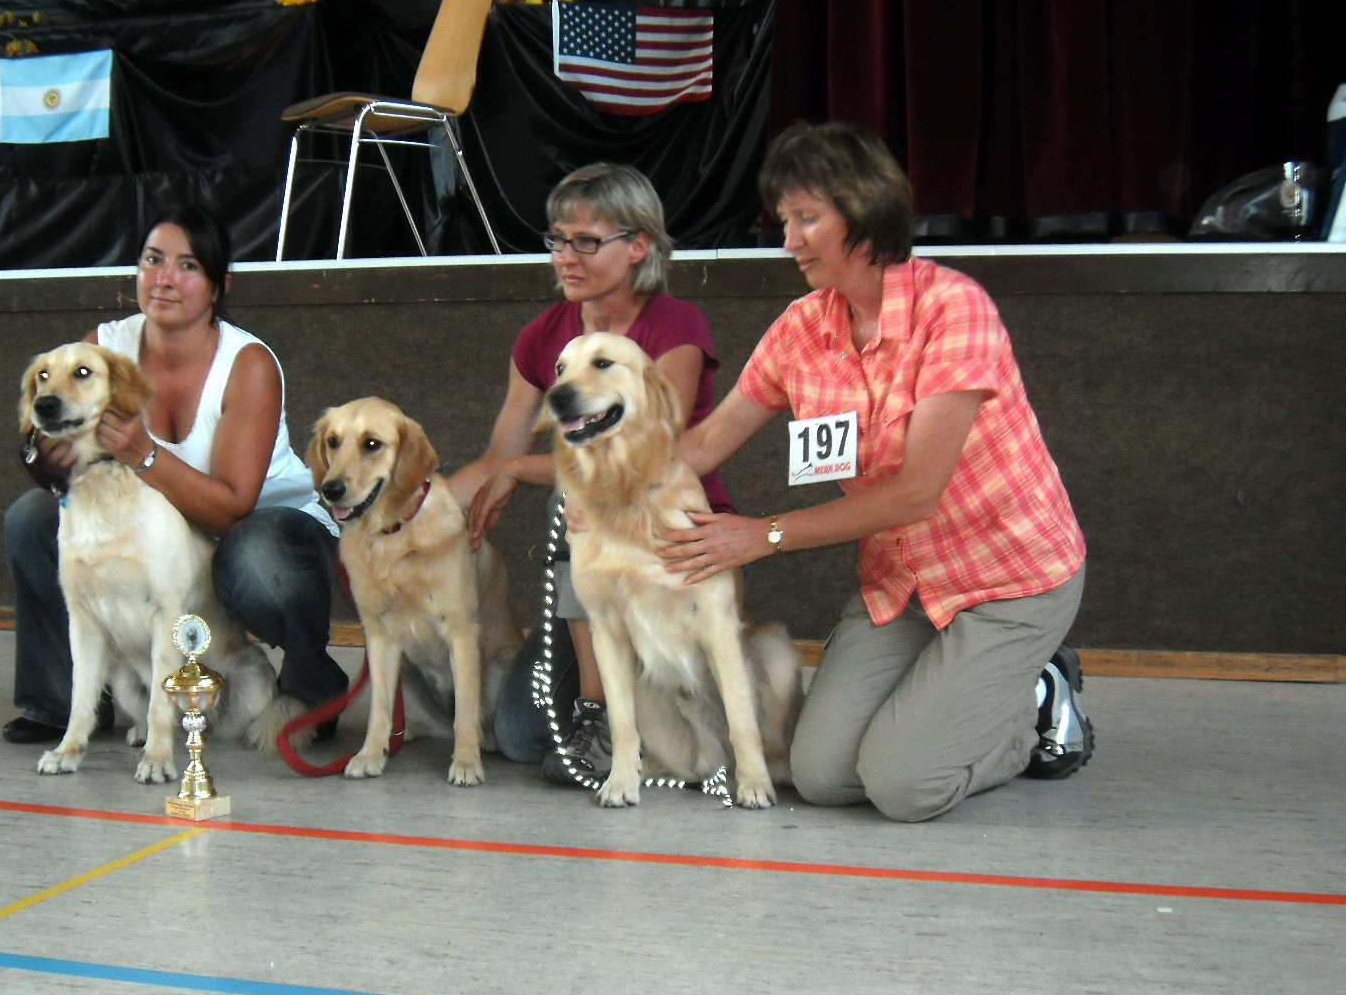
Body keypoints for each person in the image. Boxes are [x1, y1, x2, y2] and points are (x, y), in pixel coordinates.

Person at [658, 122, 1091, 822]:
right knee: (821, 776)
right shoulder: (802, 326)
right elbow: (707, 441)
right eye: (785, 221)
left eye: (806, 219)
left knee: (903, 787)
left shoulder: (954, 308)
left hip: (1011, 577)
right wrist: (607, 491)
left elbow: (918, 490)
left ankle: (1033, 707)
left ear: (862, 210)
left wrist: (762, 535)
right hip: (904, 583)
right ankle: (951, 703)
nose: (788, 240)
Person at [1, 204, 347, 744]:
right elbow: (44, 452)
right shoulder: (103, 346)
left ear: (217, 286)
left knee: (253, 554)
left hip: (262, 529)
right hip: (160, 526)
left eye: (187, 266)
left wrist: (141, 453)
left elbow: (231, 508)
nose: (164, 279)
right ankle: (65, 699)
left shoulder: (248, 363)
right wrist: (44, 456)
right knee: (32, 518)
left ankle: (312, 685)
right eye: (152, 260)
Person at [447, 162, 734, 785]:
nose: (565, 257)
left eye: (586, 241)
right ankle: (602, 704)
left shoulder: (676, 326)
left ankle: (598, 712)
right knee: (518, 738)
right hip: (601, 569)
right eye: (557, 239)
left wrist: (525, 469)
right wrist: (407, 511)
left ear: (639, 247)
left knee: (571, 498)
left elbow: (650, 456)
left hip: (673, 546)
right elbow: (499, 457)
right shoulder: (541, 337)